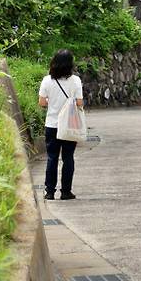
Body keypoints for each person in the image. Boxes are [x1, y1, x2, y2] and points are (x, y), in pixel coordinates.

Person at [38, 49, 83, 201]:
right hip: (69, 124)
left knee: (52, 157)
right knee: (68, 157)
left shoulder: (47, 80)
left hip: (52, 124)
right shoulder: (75, 81)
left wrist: (53, 103)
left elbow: (42, 102)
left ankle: (49, 191)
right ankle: (66, 192)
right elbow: (79, 103)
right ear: (70, 64)